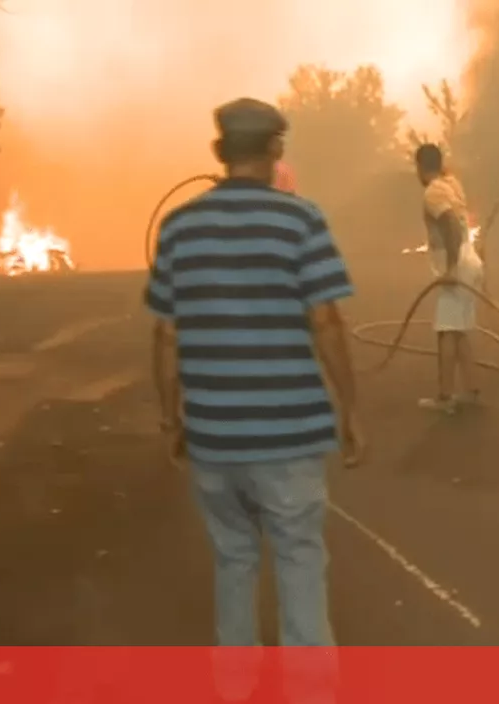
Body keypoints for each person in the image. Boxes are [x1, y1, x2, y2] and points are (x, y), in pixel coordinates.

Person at [144, 97, 366, 651]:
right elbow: (327, 322)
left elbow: (165, 336)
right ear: (275, 149)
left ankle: (238, 687)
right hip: (289, 436)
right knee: (298, 560)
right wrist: (351, 408)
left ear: (219, 152)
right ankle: (311, 703)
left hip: (215, 438)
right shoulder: (301, 220)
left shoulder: (178, 228)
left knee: (234, 558)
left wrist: (172, 418)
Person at [414, 143, 484, 414]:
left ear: (420, 167)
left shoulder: (433, 193)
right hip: (471, 260)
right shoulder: (451, 184)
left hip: (459, 266)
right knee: (459, 329)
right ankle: (472, 389)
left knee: (446, 331)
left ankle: (445, 397)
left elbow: (452, 226)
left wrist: (452, 268)